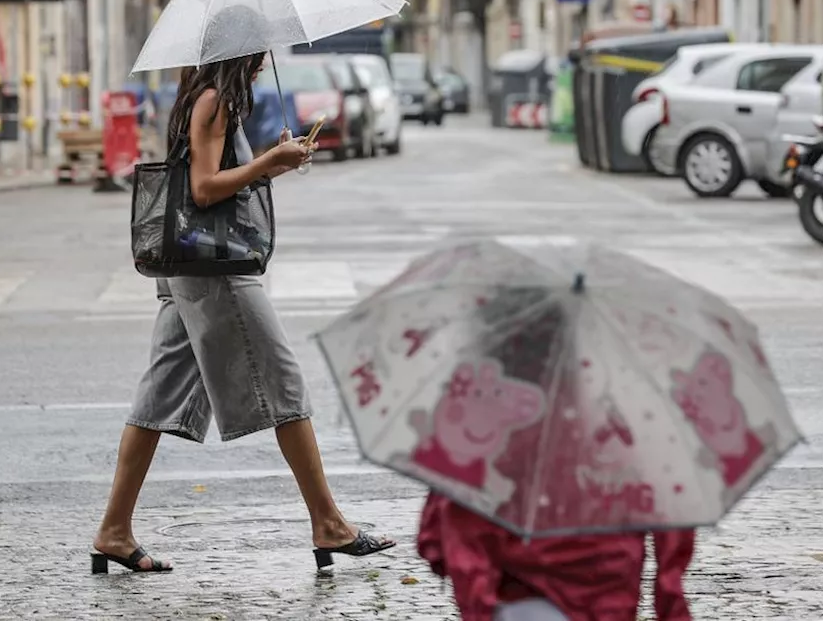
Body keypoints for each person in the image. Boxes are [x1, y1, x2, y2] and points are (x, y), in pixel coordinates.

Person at [91, 51, 394, 573]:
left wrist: (266, 165)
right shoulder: (213, 102)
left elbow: (212, 179)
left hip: (186, 266)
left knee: (160, 394)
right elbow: (204, 189)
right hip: (214, 272)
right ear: (239, 54)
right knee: (284, 383)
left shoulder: (201, 97)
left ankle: (114, 531)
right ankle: (329, 523)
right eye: (258, 56)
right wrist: (268, 165)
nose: (262, 66)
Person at [415, 287, 696, 620]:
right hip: (611, 600)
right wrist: (670, 603)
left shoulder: (484, 433)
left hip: (523, 603)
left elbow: (438, 541)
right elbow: (670, 511)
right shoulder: (619, 424)